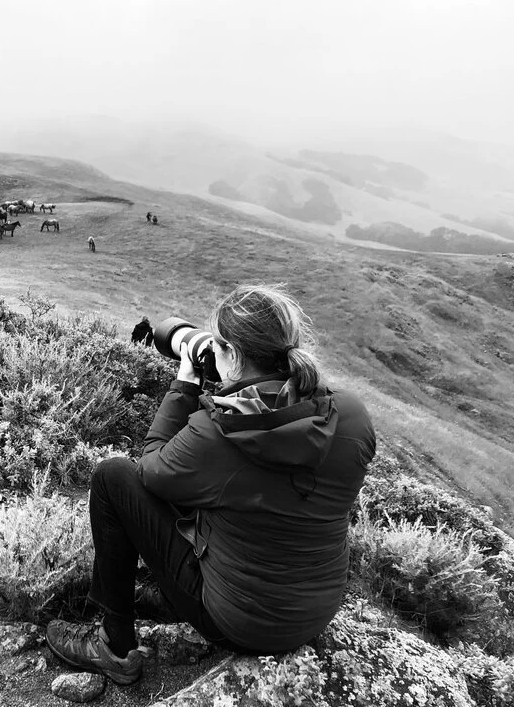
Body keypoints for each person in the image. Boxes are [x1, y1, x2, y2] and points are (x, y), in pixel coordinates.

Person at [46, 284, 376, 685]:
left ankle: (114, 648)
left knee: (113, 477)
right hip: (314, 614)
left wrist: (185, 384)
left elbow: (150, 467)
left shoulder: (218, 433)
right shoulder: (352, 415)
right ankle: (165, 598)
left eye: (218, 348)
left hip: (240, 625)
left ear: (233, 355)